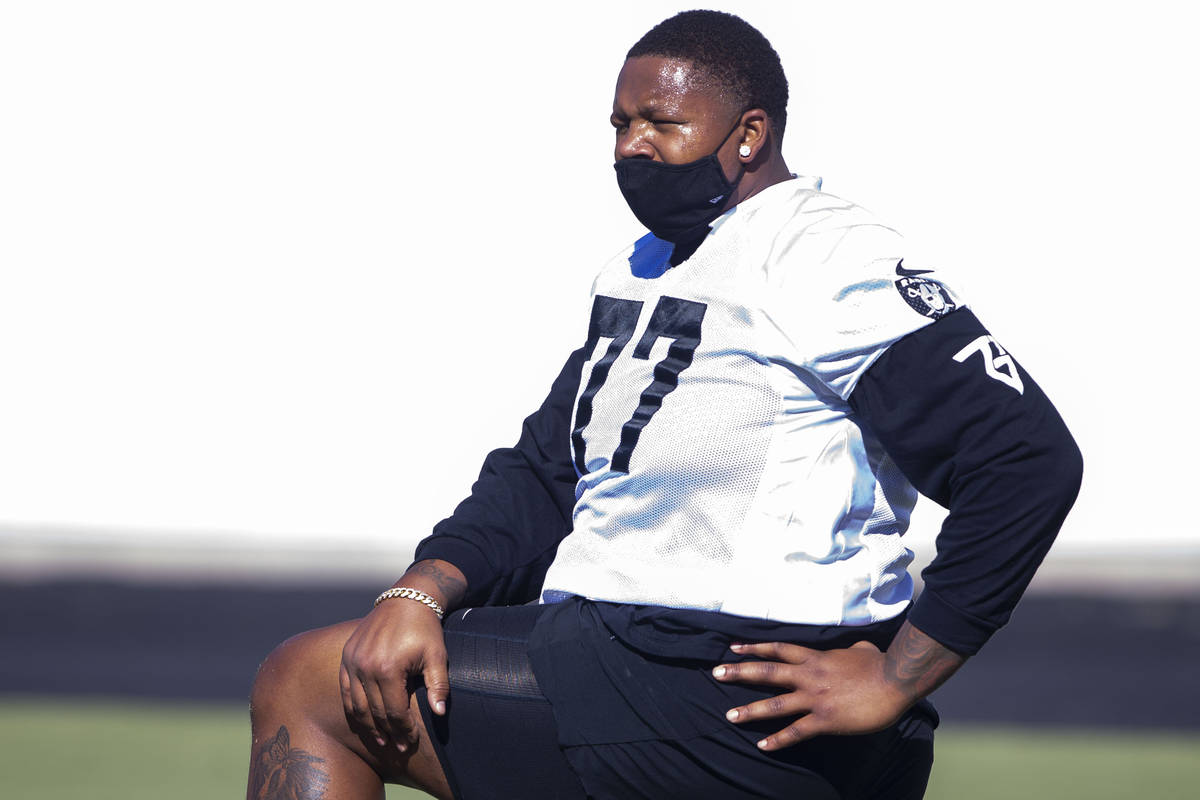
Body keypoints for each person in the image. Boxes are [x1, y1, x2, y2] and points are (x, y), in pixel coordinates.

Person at [247, 10, 1082, 800]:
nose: (631, 147)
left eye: (661, 123)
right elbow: (549, 474)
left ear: (749, 134)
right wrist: (421, 588)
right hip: (637, 678)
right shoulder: (643, 268)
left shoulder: (823, 256)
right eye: (618, 124)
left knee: (307, 683)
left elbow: (1026, 461)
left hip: (720, 688)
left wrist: (896, 678)